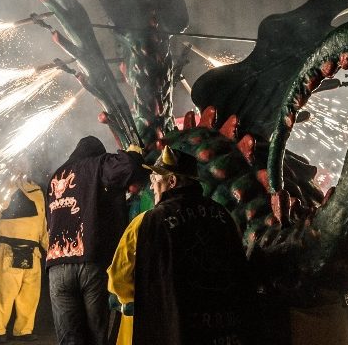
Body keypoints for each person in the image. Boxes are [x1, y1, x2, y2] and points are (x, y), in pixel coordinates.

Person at [107, 146, 250, 345]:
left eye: (155, 179)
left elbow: (119, 279)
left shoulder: (146, 222)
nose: (151, 187)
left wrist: (138, 301)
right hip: (224, 330)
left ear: (172, 181)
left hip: (172, 330)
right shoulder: (223, 215)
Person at [45, 136, 146, 345]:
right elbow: (127, 165)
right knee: (95, 336)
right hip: (90, 262)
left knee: (69, 339)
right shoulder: (97, 165)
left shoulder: (56, 177)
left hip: (56, 268)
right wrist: (133, 152)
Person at [0, 157, 48, 343]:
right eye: (17, 163)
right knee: (4, 292)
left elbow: (42, 221)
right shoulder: (2, 187)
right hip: (8, 248)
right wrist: (13, 180)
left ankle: (24, 330)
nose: (21, 166)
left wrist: (49, 246)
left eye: (24, 163)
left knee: (30, 293)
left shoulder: (37, 190)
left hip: (33, 249)